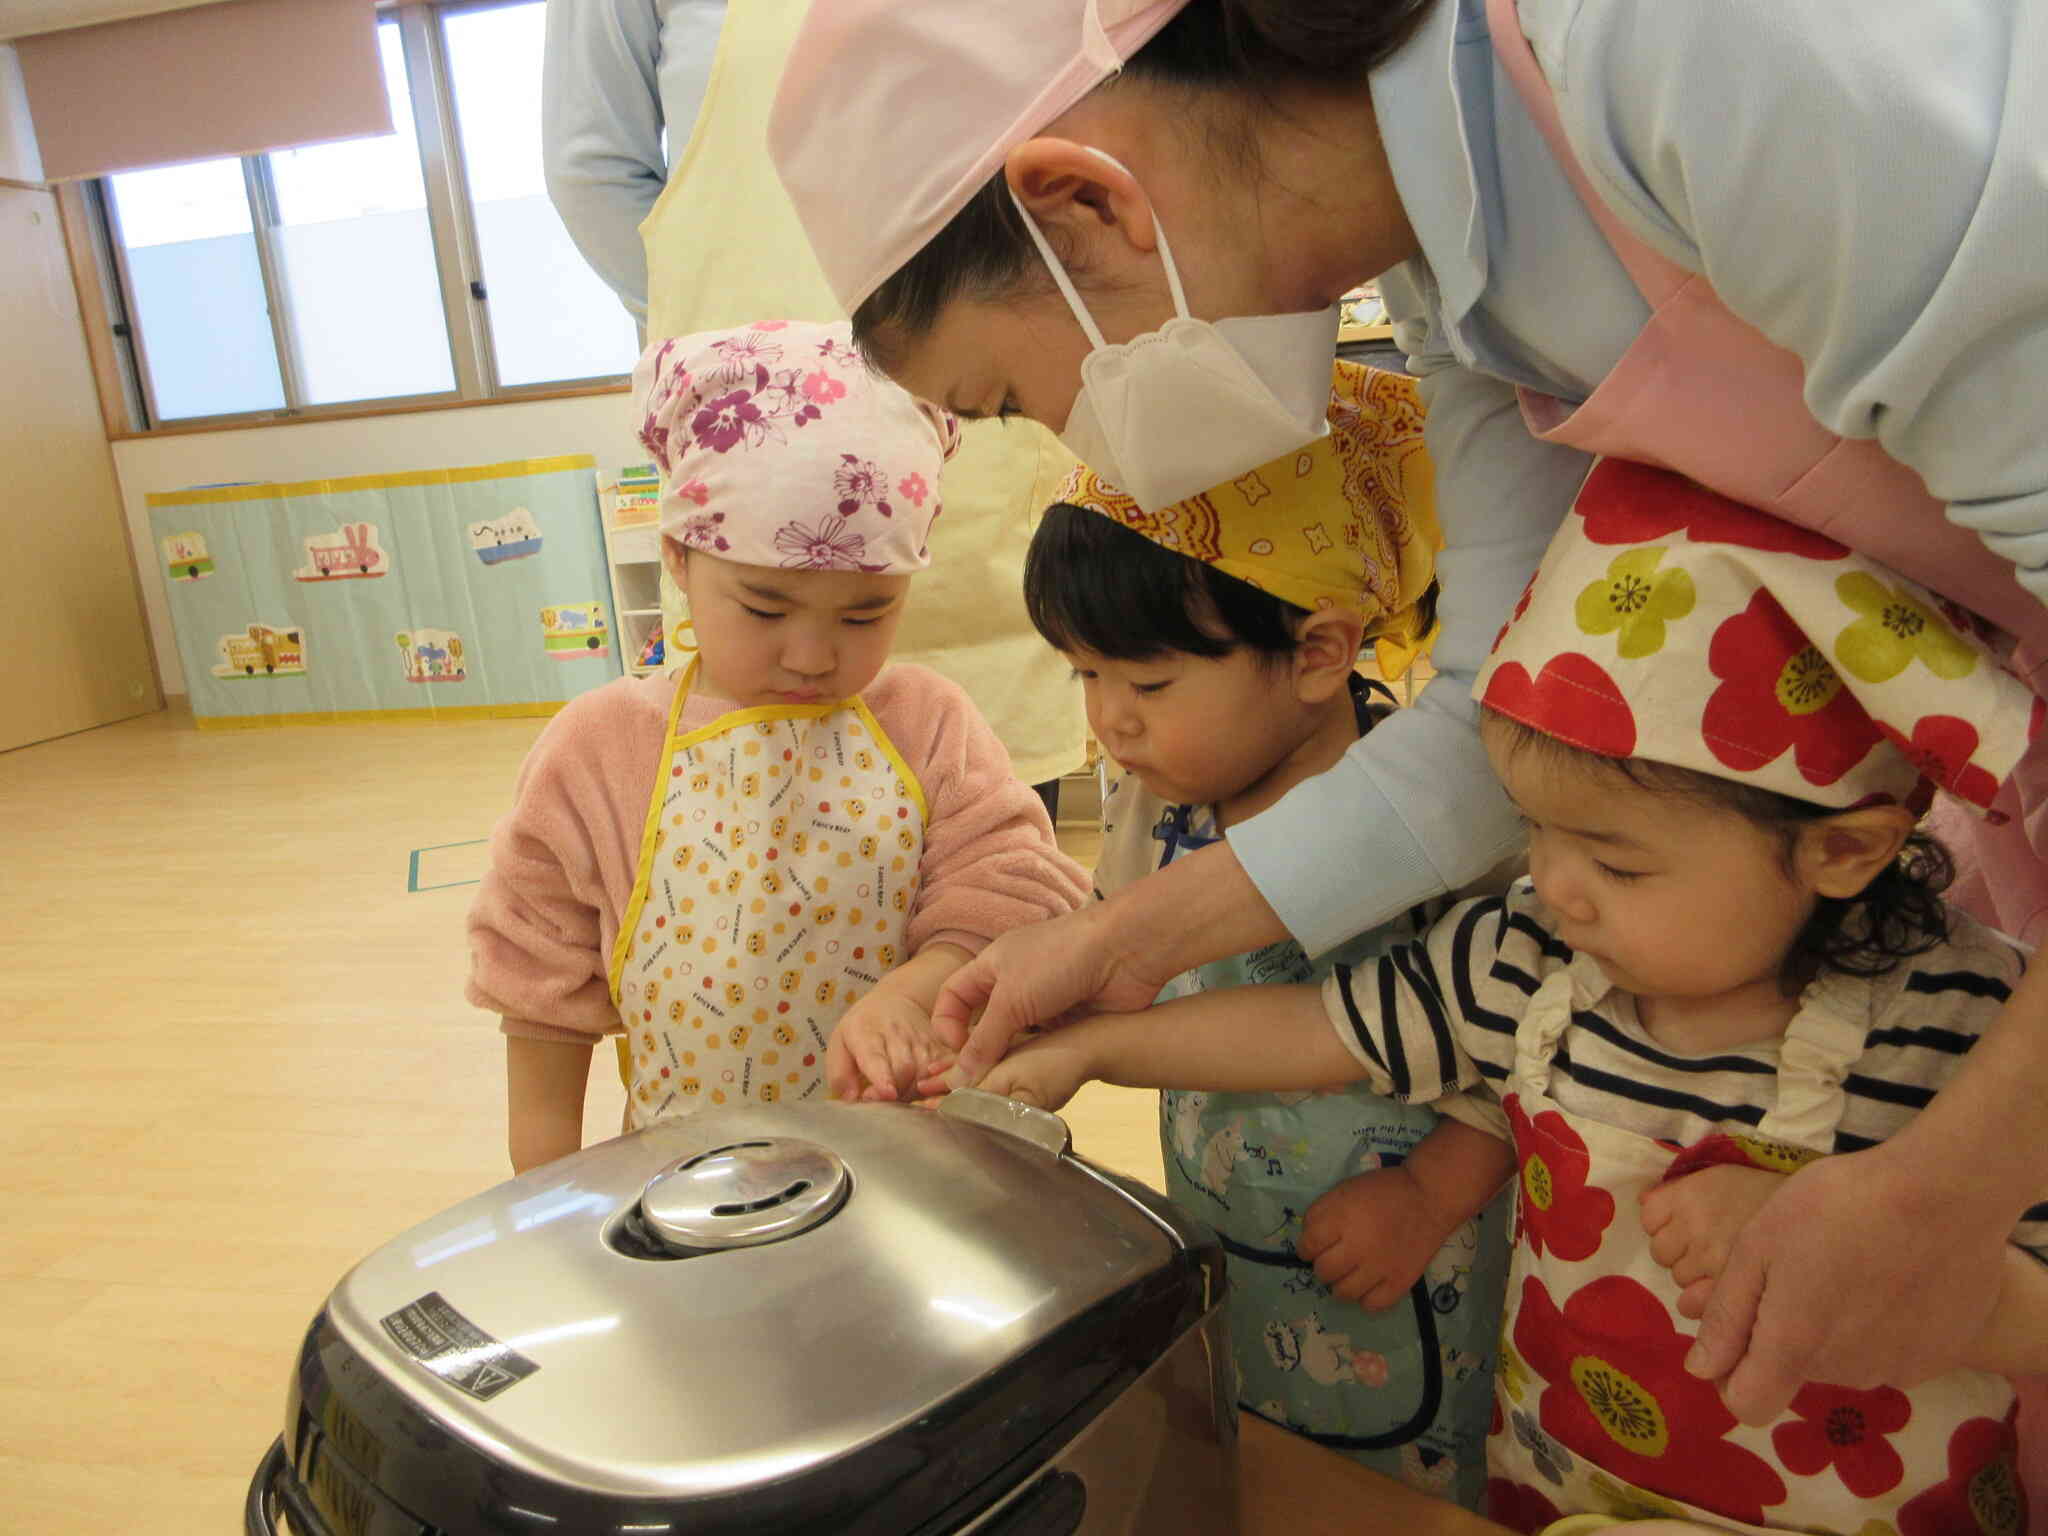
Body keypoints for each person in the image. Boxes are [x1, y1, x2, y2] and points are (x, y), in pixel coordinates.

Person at [765, 0, 2048, 1429]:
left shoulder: (1681, 46)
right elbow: (1491, 727)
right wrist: (1117, 944)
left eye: (1012, 394)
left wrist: (1955, 1188)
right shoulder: (1456, 282)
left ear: (1083, 202)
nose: (1083, 444)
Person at [966, 462, 2048, 1534]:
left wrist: (1872, 1260)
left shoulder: (1966, 1030)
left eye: (1615, 864)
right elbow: (1314, 1030)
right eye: (1533, 831)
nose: (1555, 886)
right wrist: (1098, 1044)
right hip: (1549, 1487)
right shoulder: (1529, 958)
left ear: (1843, 850)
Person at [1035, 359, 1511, 1505]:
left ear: (1315, 652)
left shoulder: (1438, 818)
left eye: (1145, 680)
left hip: (1406, 1267)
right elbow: (1112, 954)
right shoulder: (1158, 805)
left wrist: (1433, 1190)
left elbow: (1529, 1033)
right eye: (1084, 674)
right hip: (1229, 1233)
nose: (1107, 720)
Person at [466, 321, 1089, 1171]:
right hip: (679, 1179)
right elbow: (538, 989)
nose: (812, 655)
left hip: (912, 1168)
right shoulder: (600, 749)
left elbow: (1010, 885)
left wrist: (920, 988)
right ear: (680, 559)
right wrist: (544, 1199)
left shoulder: (927, 722)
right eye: (764, 608)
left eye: (866, 613)